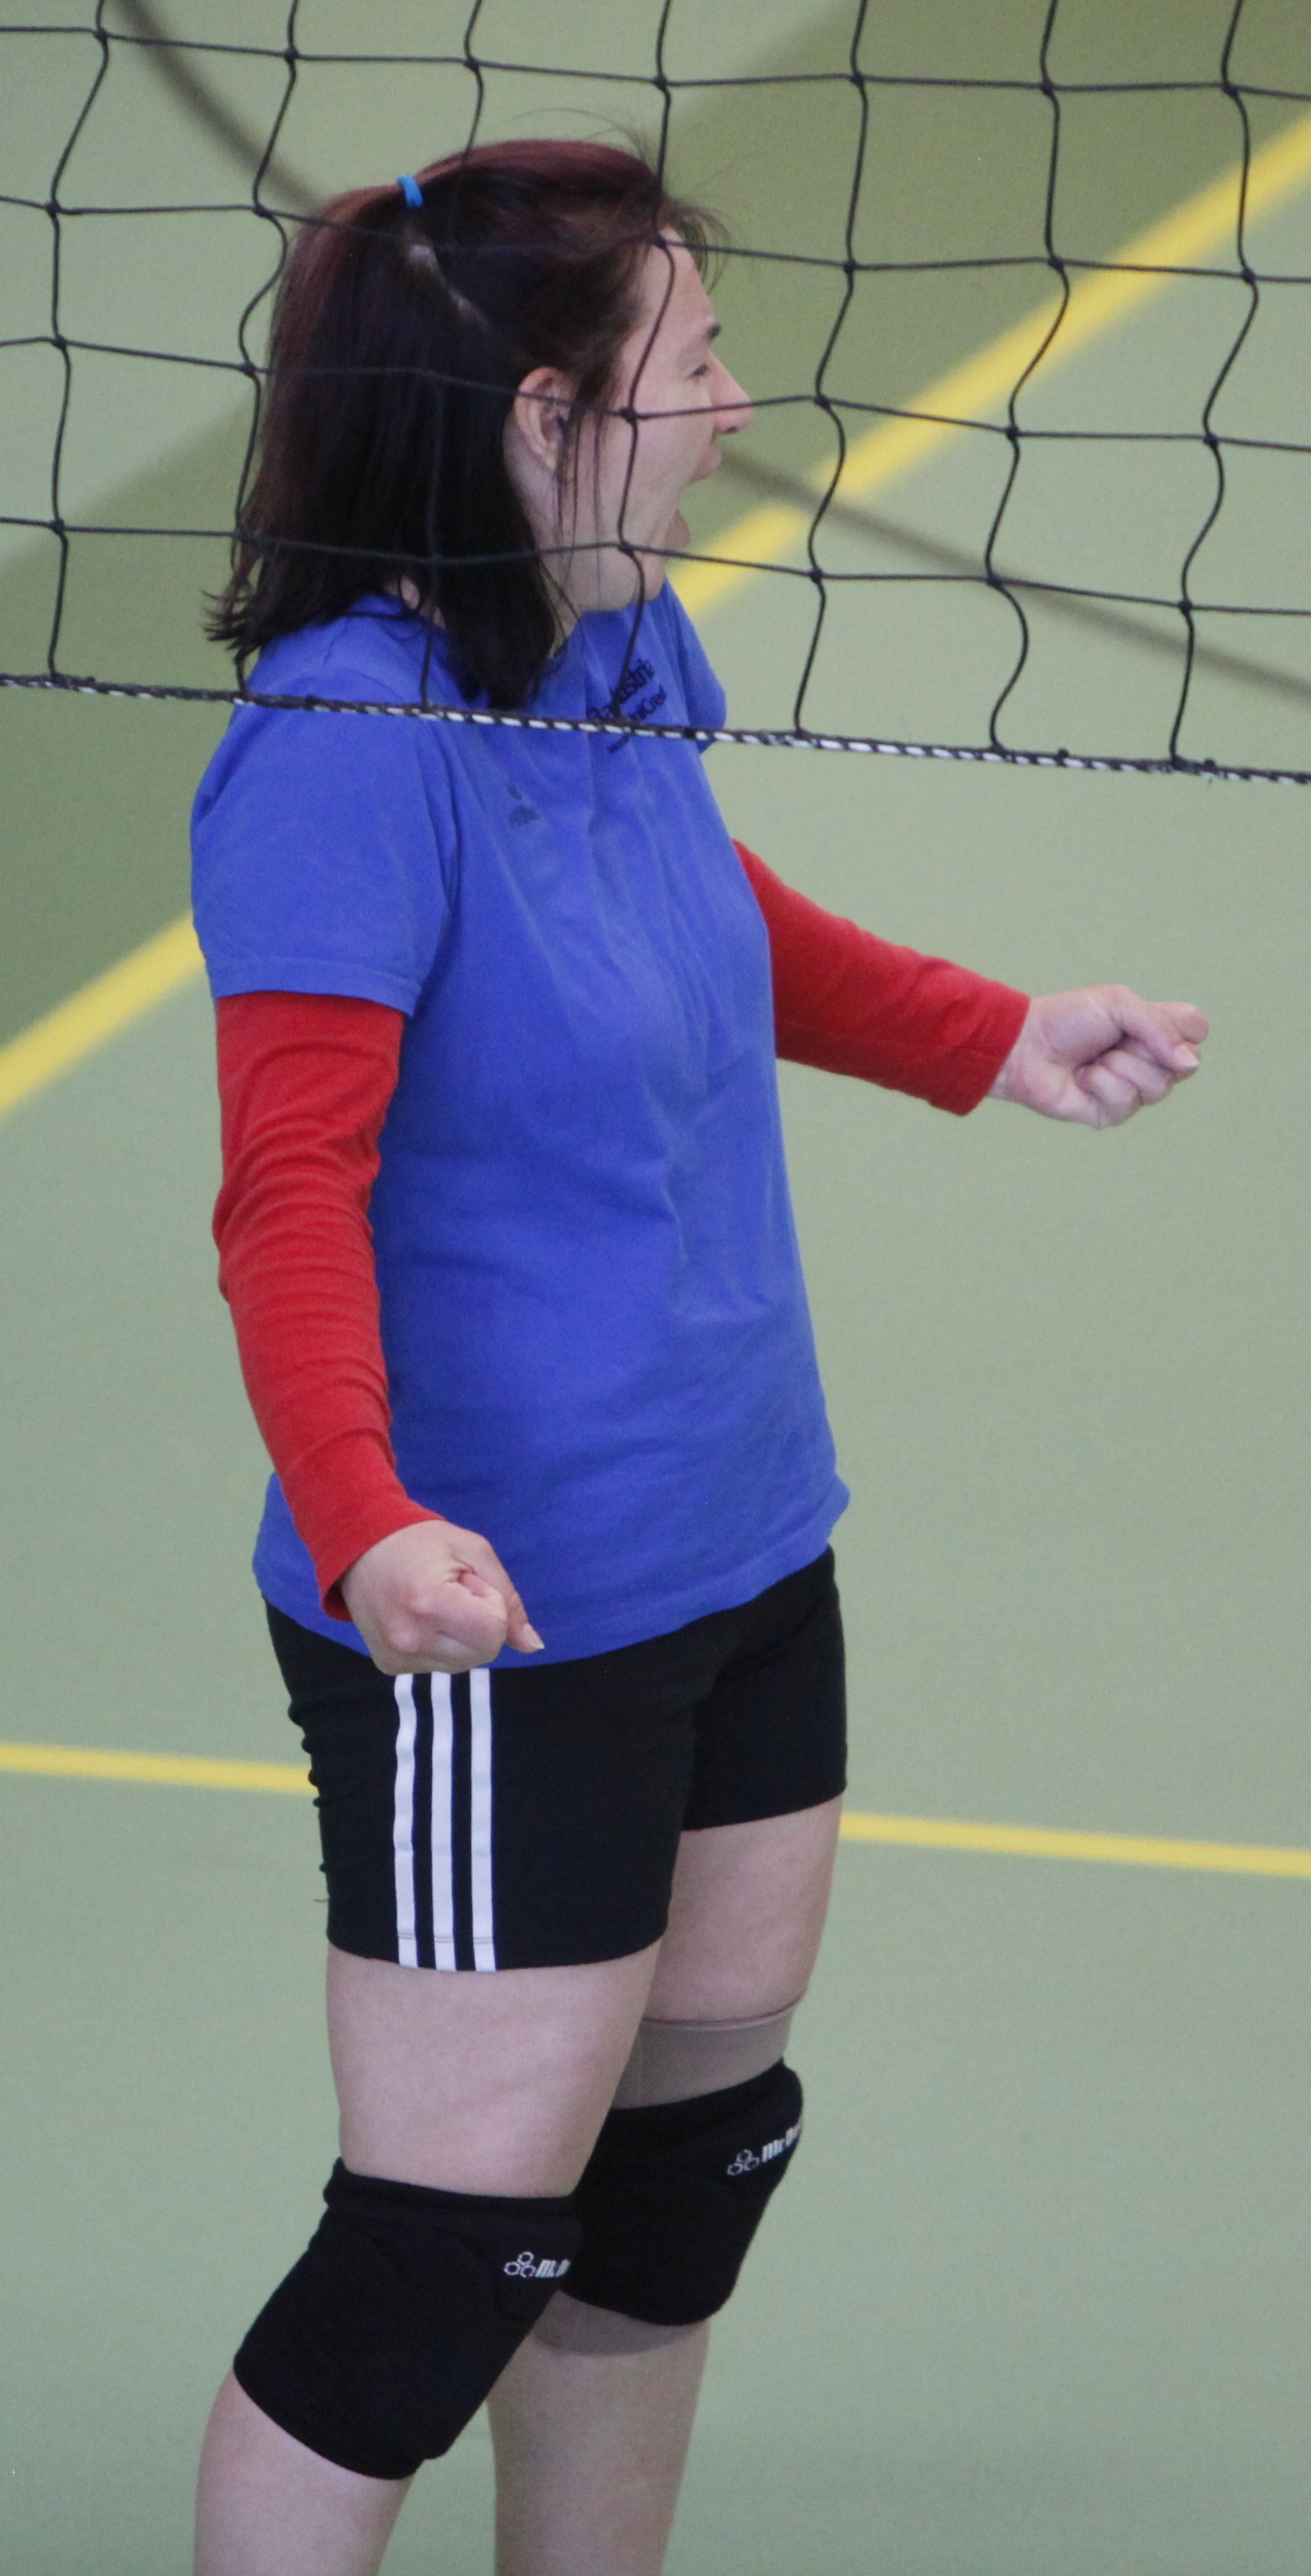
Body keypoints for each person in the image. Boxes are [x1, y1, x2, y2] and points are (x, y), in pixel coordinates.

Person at [189, 140, 1207, 2576]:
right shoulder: (343, 751)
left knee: (678, 2186)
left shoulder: (612, 644)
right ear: (544, 418)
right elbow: (287, 1190)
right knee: (436, 2272)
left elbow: (682, 894)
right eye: (694, 362)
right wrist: (366, 1521)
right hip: (498, 1611)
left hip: (744, 1539)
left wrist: (984, 1032)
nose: (740, 405)